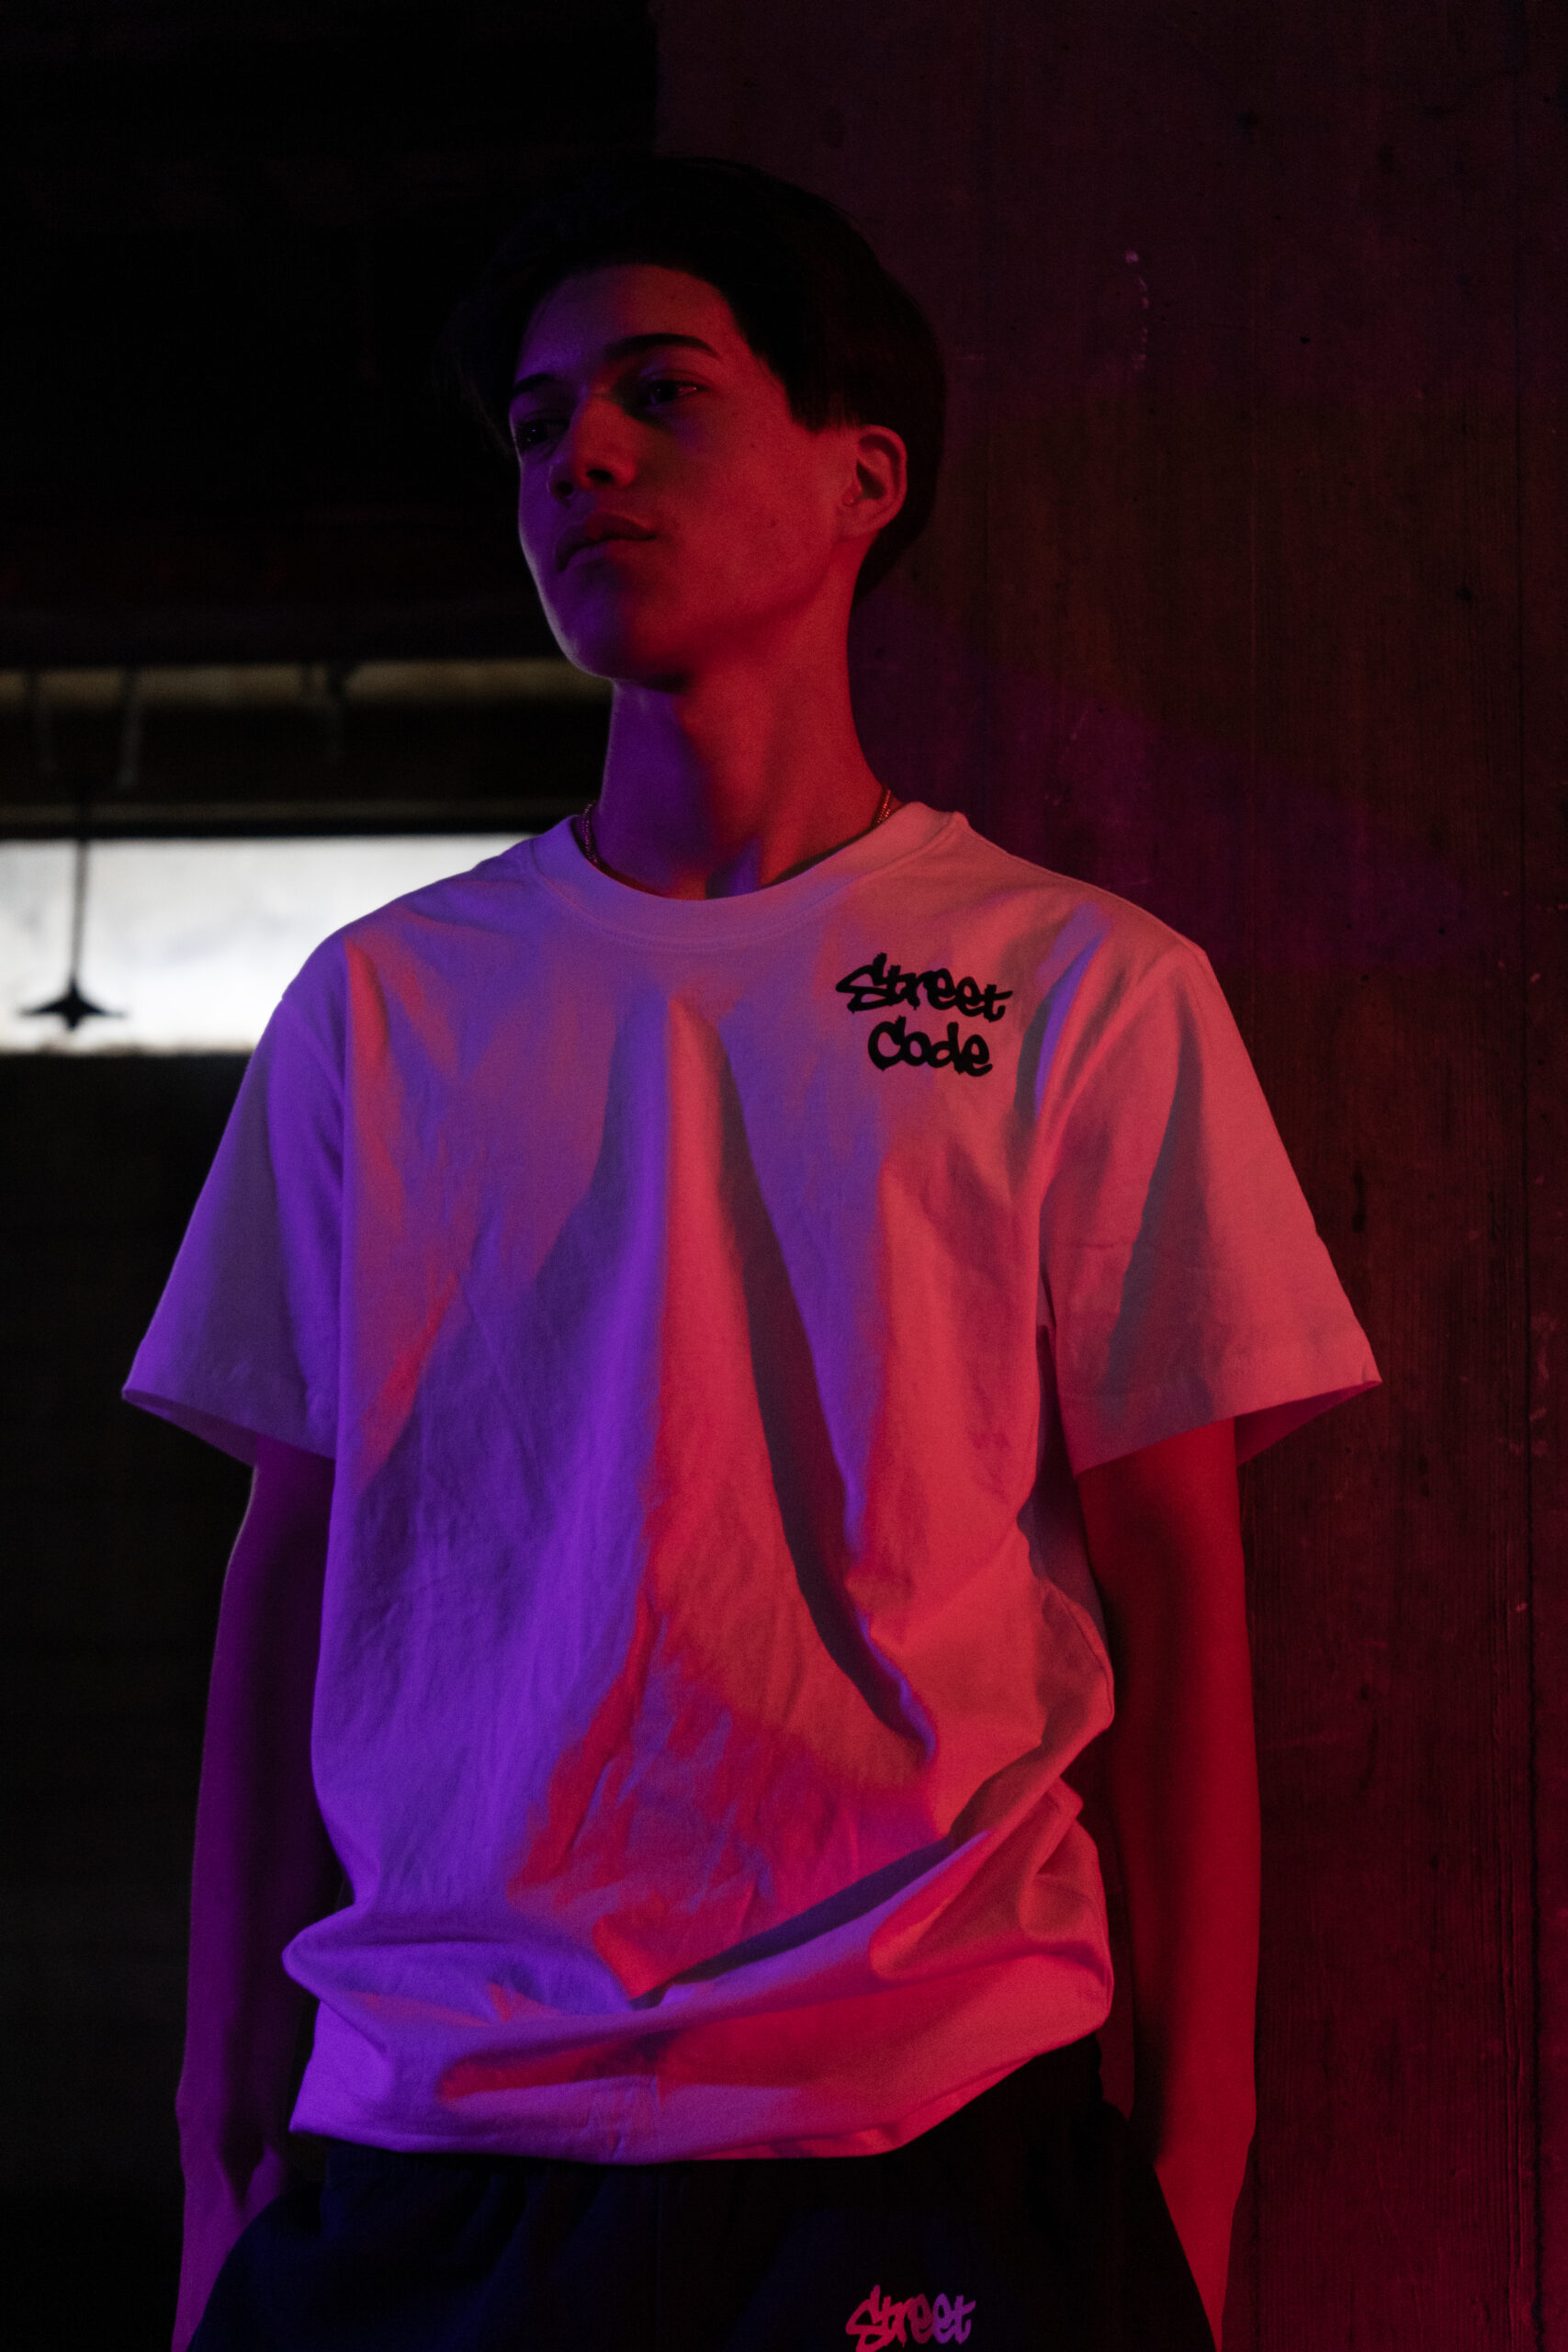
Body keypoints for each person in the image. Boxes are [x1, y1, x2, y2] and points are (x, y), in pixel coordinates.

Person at [127, 157, 1379, 2352]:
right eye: (536, 425)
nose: (579, 458)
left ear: (859, 475)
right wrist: (217, 2154)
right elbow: (284, 1573)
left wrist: (1190, 2171)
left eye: (659, 393)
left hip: (923, 2125)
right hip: (430, 2135)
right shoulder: (381, 1005)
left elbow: (1181, 1592)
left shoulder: (1082, 987)